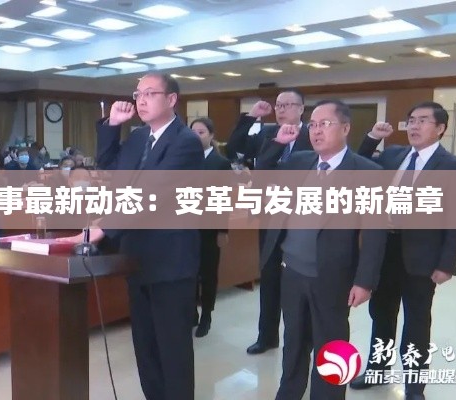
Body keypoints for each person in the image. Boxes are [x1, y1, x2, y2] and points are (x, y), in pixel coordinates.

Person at [59, 73, 203, 400]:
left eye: (150, 93)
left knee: (173, 351)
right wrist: (112, 125)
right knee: (145, 347)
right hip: (136, 258)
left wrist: (103, 227)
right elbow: (110, 165)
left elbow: (153, 192)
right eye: (138, 94)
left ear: (171, 99)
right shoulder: (139, 138)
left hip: (171, 262)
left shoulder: (185, 142)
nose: (141, 100)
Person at [256, 99, 386, 400]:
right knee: (294, 340)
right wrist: (278, 143)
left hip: (332, 275)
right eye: (313, 125)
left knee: (331, 345)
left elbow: (375, 233)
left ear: (346, 128)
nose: (316, 131)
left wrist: (365, 281)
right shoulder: (299, 162)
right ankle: (289, 392)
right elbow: (262, 173)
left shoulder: (367, 173)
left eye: (324, 124)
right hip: (291, 270)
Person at [350, 101, 456, 400]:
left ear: (440, 128)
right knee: (381, 315)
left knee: (416, 321)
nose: (414, 126)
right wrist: (372, 137)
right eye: (411, 120)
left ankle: (415, 387)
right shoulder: (393, 155)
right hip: (384, 251)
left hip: (422, 257)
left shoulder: (453, 166)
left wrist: (447, 264)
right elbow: (357, 164)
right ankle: (378, 369)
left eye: (423, 120)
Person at [228, 89, 313, 355]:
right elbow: (233, 148)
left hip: (302, 216)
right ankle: (267, 336)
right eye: (278, 105)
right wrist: (251, 117)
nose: (281, 109)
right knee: (269, 276)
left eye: (288, 105)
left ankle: (301, 339)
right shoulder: (267, 134)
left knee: (300, 279)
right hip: (270, 213)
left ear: (302, 108)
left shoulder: (313, 135)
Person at [190, 117, 231, 338]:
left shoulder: (220, 163)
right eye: (193, 132)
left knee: (207, 273)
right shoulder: (184, 159)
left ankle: (206, 315)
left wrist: (223, 230)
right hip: (186, 228)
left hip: (209, 228)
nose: (196, 137)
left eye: (201, 132)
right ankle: (191, 313)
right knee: (188, 272)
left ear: (211, 135)